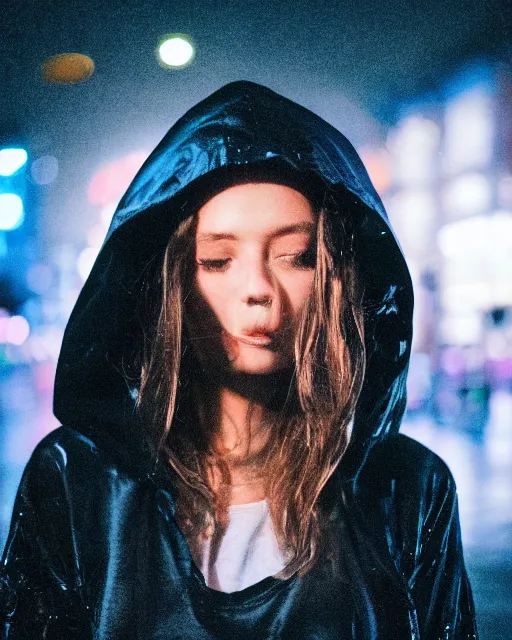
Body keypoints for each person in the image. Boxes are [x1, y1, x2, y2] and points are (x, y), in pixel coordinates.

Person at [0, 81, 478, 639]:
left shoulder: (408, 491)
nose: (258, 288)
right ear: (172, 282)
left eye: (296, 256)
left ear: (338, 281)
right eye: (218, 260)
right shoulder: (78, 482)